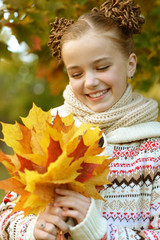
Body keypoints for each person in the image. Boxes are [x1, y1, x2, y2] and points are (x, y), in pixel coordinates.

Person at [0, 0, 160, 239]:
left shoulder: (152, 149)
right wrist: (32, 229)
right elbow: (7, 214)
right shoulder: (49, 132)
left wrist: (98, 231)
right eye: (77, 73)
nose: (90, 82)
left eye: (103, 67)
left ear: (130, 64)